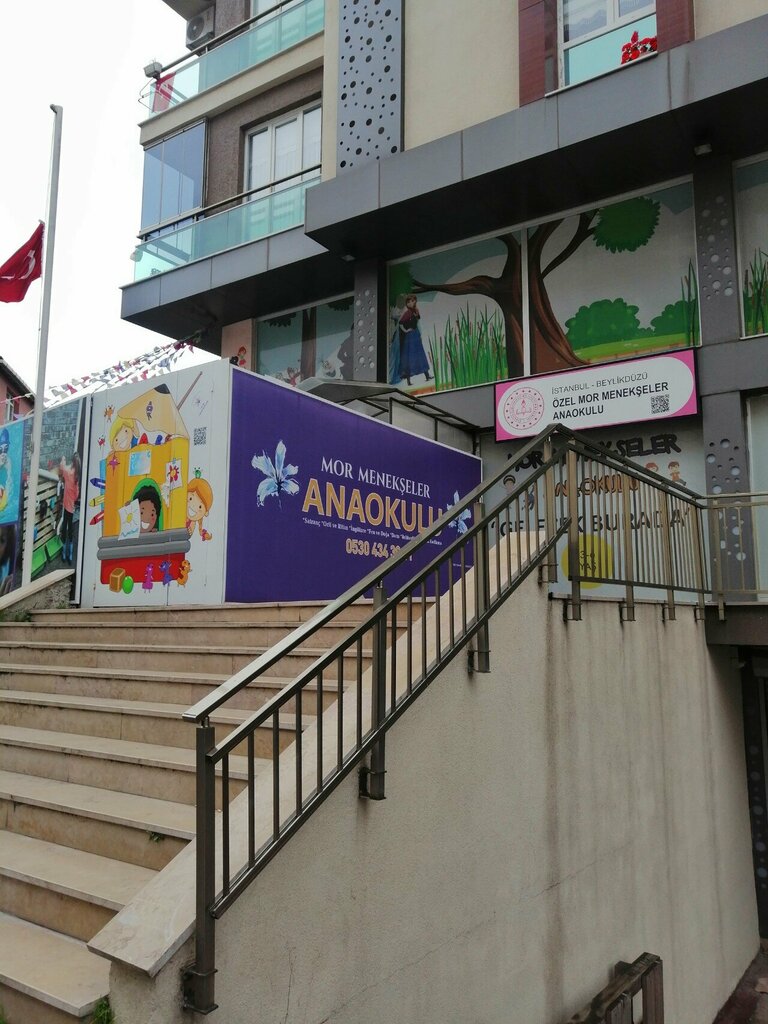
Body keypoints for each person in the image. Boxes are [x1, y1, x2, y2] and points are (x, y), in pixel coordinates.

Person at [397, 295, 432, 386]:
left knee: (420, 354)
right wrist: (406, 330)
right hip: (410, 336)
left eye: (412, 301)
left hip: (416, 334)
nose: (410, 303)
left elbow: (418, 322)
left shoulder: (416, 310)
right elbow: (400, 323)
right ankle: (408, 381)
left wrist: (420, 333)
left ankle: (427, 376)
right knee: (410, 356)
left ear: (415, 301)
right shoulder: (408, 312)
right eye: (408, 302)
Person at [58, 452, 81, 565]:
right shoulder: (76, 477)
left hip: (66, 506)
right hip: (72, 507)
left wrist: (63, 458)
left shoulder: (68, 472)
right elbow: (77, 495)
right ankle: (70, 556)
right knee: (71, 531)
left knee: (64, 530)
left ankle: (63, 554)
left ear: (72, 462)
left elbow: (62, 467)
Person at [187, 477, 213, 541]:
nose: (193, 505)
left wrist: (189, 531)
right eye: (190, 498)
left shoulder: (193, 522)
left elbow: (190, 534)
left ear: (206, 513)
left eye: (200, 507)